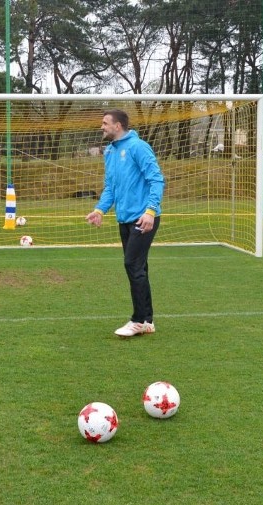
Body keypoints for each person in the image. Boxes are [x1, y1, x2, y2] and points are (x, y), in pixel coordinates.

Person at [85, 109, 165, 337]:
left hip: (144, 217)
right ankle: (148, 320)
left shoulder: (138, 147)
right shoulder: (110, 152)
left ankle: (138, 320)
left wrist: (150, 211)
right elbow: (111, 186)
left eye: (105, 123)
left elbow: (156, 179)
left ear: (118, 125)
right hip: (125, 218)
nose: (102, 127)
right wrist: (100, 209)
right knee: (139, 267)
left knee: (132, 264)